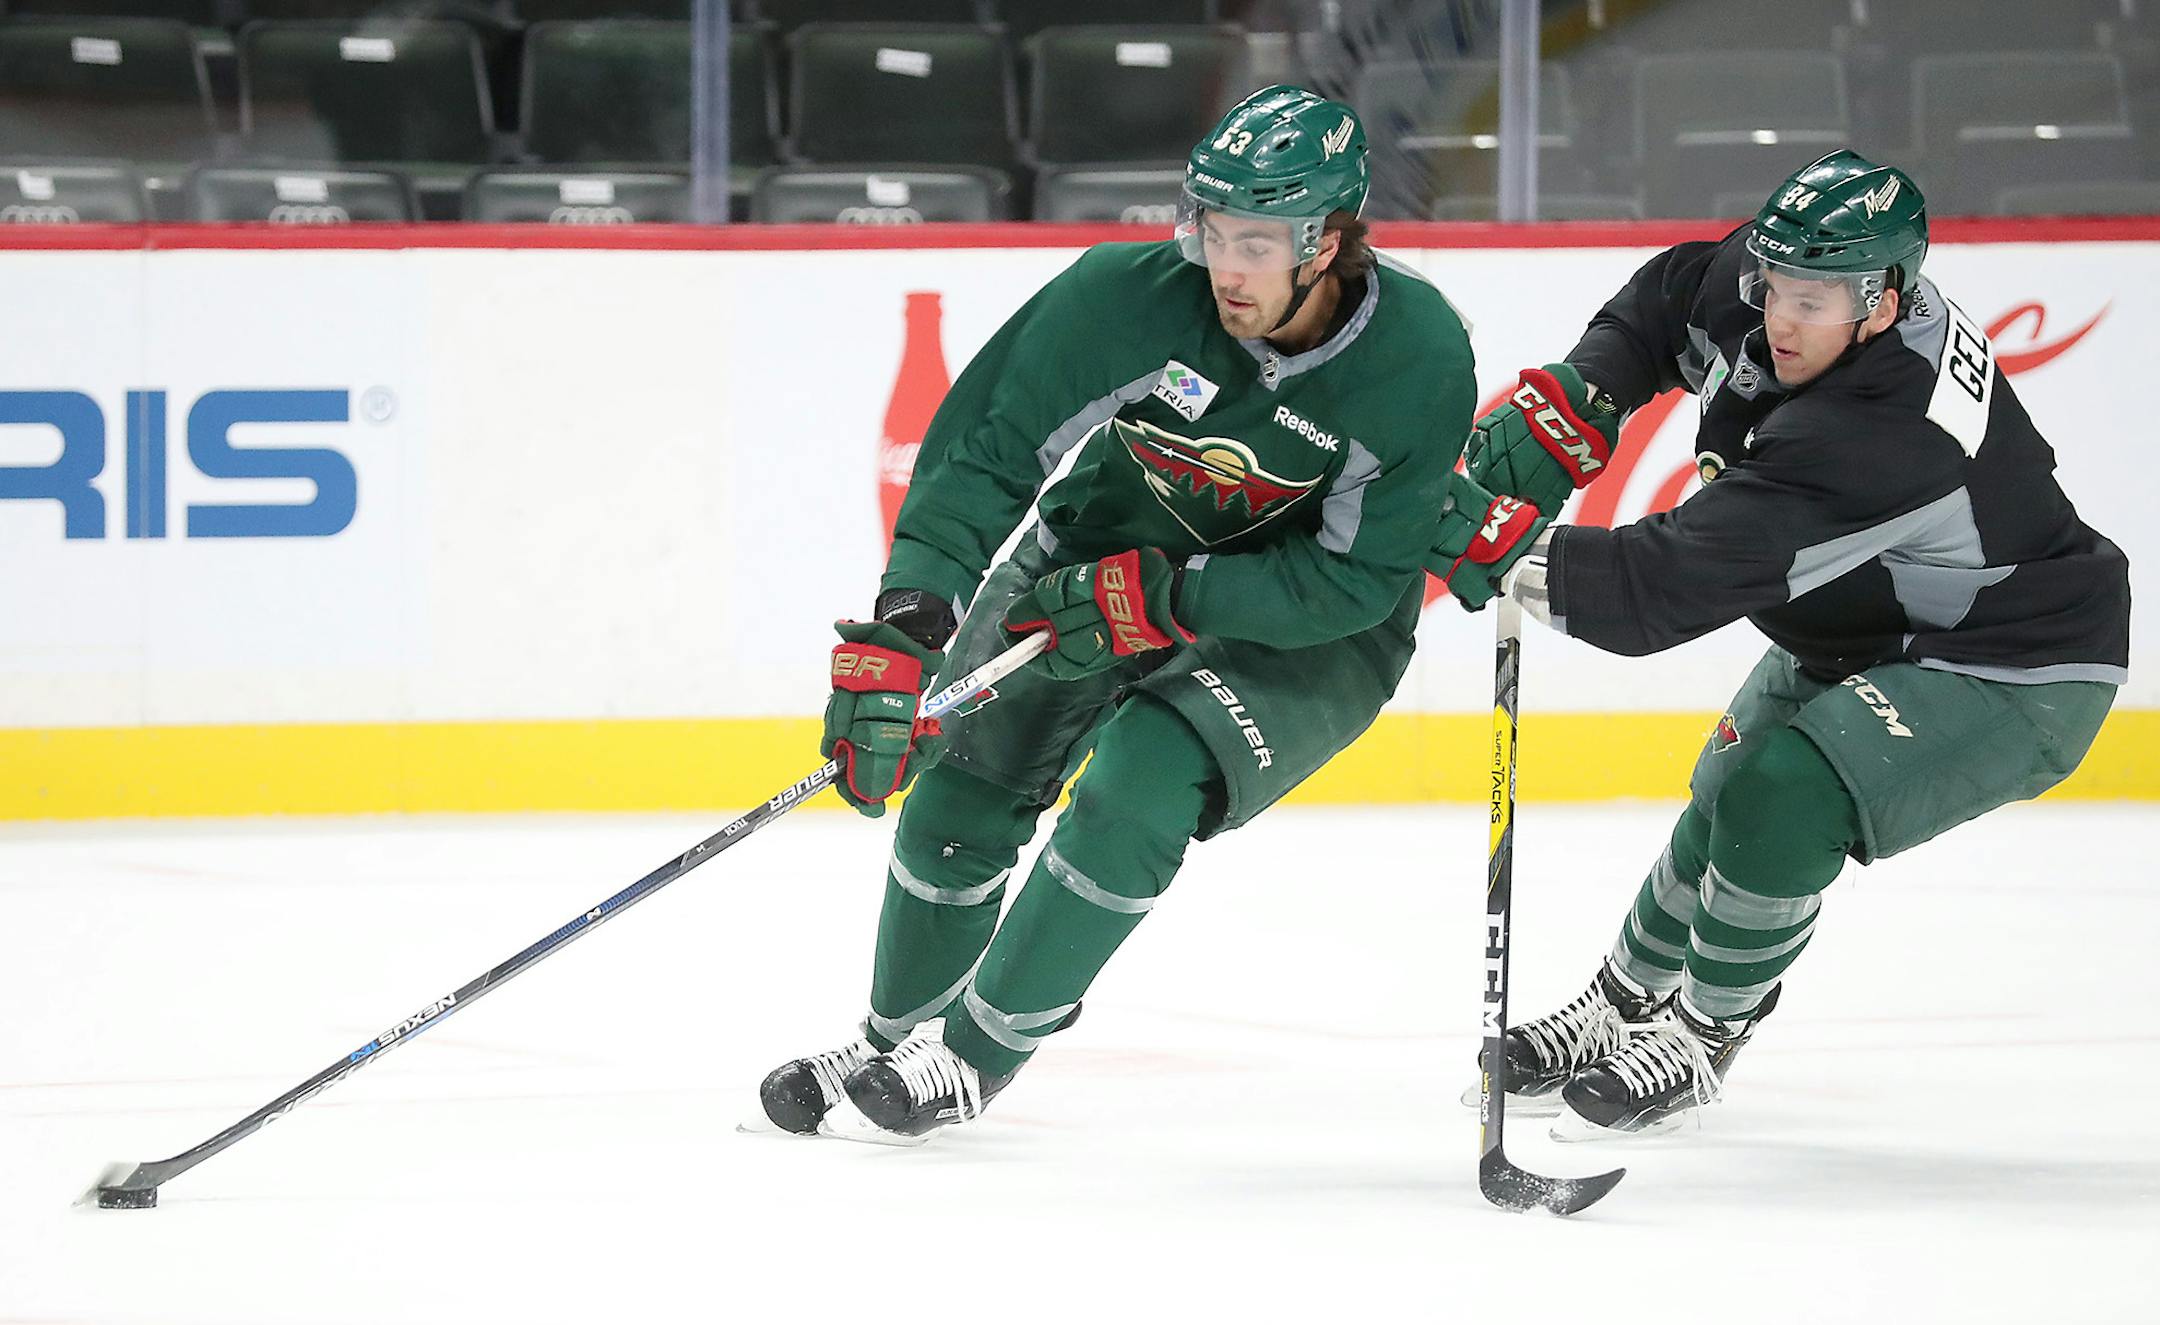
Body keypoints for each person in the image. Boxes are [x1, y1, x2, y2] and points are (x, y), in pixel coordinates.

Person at [756, 85, 1480, 1143]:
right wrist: (910, 624)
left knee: (1144, 774)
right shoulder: (1125, 296)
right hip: (1101, 556)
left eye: (1259, 241)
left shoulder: (1417, 357)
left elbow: (1359, 582)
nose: (1226, 266)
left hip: (1310, 624)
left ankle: (971, 1051)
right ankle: (892, 1036)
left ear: (1325, 241)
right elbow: (986, 452)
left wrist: (1176, 597)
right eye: (1211, 229)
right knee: (962, 787)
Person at [1435, 149, 2131, 1138]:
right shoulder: (1767, 284)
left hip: (2014, 659)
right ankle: (1622, 1003)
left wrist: (1490, 544)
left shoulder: (1883, 430)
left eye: (1821, 300)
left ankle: (1701, 1032)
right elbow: (1669, 296)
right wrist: (1581, 395)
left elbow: (1658, 591)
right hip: (1863, 624)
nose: (1784, 319)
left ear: (1886, 303)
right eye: (1777, 288)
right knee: (1722, 795)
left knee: (1780, 797)